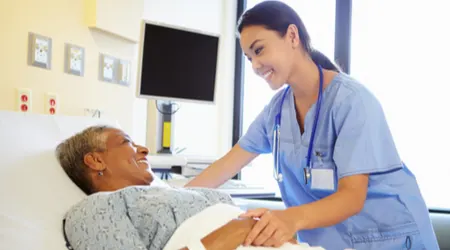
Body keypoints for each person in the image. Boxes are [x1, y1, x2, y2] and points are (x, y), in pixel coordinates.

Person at [185, 1, 439, 249]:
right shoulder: (277, 111)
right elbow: (227, 165)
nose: (254, 65)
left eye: (259, 50)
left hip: (391, 238)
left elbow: (352, 197)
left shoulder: (352, 101)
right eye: (249, 57)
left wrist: (291, 219)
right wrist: (174, 198)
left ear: (292, 36)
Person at [56, 125, 317, 250]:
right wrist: (238, 230)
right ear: (95, 159)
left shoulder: (175, 193)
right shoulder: (93, 210)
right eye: (126, 142)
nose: (144, 149)